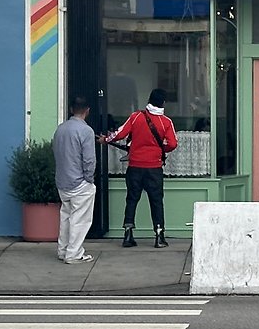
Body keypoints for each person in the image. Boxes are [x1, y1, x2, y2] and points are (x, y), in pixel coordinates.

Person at [105, 87, 178, 248]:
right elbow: (173, 143)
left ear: (149, 100)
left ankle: (128, 234)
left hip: (135, 166)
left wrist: (106, 139)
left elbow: (120, 133)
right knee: (156, 201)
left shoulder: (136, 117)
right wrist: (161, 150)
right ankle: (159, 235)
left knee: (132, 199)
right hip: (154, 168)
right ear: (163, 103)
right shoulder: (166, 122)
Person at [52, 95, 97, 264]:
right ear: (87, 111)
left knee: (66, 217)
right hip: (79, 182)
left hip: (62, 181)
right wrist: (89, 179)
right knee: (80, 220)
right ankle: (74, 253)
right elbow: (89, 159)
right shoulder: (86, 131)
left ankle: (63, 250)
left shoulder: (60, 129)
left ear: (71, 109)